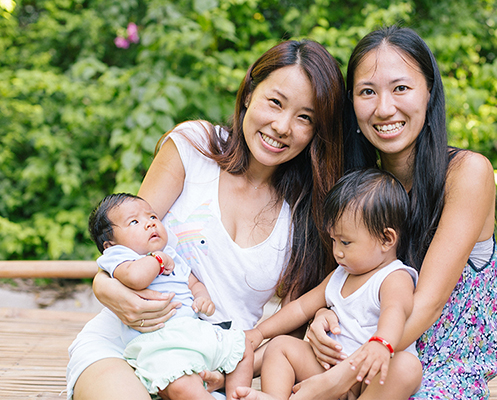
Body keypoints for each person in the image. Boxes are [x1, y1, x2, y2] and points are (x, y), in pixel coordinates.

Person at [66, 39, 346, 400]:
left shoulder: (307, 214)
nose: (282, 126)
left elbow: (285, 333)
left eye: (305, 117)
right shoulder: (193, 146)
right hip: (123, 347)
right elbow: (126, 240)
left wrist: (230, 368)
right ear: (248, 93)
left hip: (211, 372)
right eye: (275, 102)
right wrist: (102, 286)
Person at [295, 26, 497, 400]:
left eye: (401, 88)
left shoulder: (468, 174)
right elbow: (348, 278)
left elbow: (429, 301)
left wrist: (340, 378)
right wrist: (325, 316)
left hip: (441, 369)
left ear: (429, 91)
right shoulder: (360, 189)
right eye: (367, 92)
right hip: (362, 356)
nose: (384, 108)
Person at [233, 168, 422, 400]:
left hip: (371, 375)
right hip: (327, 371)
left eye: (345, 242)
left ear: (386, 239)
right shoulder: (340, 275)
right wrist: (260, 332)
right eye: (333, 240)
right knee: (280, 346)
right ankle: (276, 397)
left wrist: (382, 343)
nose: (337, 252)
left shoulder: (394, 276)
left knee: (407, 367)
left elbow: (396, 310)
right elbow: (301, 307)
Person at [87, 193, 252, 400]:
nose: (150, 224)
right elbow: (136, 278)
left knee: (242, 347)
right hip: (160, 343)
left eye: (153, 217)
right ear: (110, 245)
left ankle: (237, 395)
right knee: (181, 383)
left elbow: (193, 283)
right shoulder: (120, 257)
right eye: (135, 221)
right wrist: (158, 259)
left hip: (193, 331)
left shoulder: (172, 255)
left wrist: (202, 298)